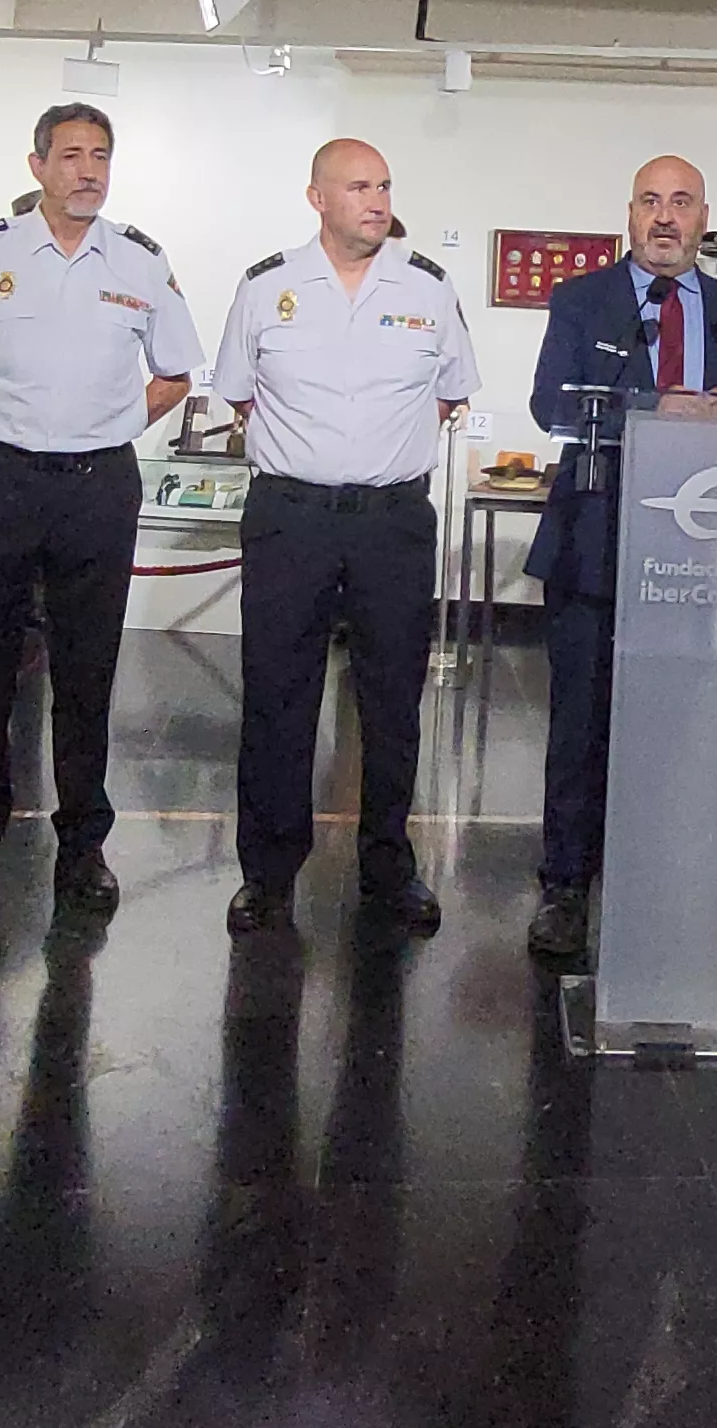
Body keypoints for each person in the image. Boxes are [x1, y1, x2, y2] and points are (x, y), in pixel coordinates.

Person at [0, 104, 199, 930]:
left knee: (88, 669)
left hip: (98, 484)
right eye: (71, 156)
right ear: (37, 166)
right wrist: (4, 423)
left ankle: (83, 846)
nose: (89, 172)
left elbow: (174, 373)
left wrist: (102, 429)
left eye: (101, 156)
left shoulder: (141, 261)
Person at [209, 139, 479, 936]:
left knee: (393, 701)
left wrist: (375, 463)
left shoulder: (428, 287)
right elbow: (238, 398)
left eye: (385, 185)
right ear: (317, 198)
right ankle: (267, 874)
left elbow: (450, 395)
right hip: (290, 518)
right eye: (359, 186)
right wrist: (314, 464)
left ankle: (389, 868)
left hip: (391, 521)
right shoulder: (266, 288)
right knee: (276, 697)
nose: (377, 200)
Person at [520, 154, 717, 965]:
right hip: (596, 540)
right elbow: (549, 402)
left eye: (681, 204)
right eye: (649, 203)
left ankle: (672, 880)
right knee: (581, 726)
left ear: (704, 218)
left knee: (687, 730)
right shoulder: (582, 299)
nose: (665, 218)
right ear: (628, 216)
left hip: (698, 557)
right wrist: (651, 406)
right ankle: (566, 887)